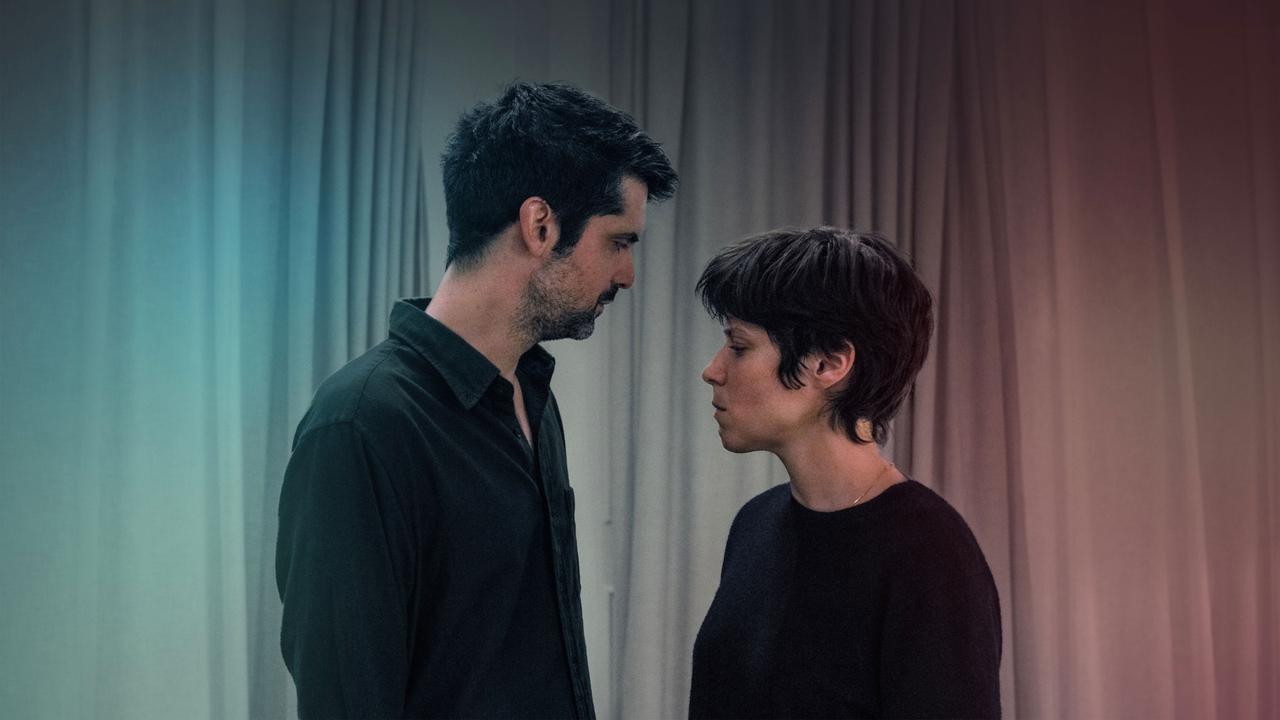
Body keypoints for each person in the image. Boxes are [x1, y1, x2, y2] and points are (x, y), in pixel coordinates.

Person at [275, 81, 677, 719]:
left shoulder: (532, 398)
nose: (626, 275)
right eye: (619, 241)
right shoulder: (360, 425)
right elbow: (346, 699)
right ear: (540, 225)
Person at [689, 228, 1001, 719]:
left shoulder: (930, 555)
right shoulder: (755, 523)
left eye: (739, 346)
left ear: (829, 363)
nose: (713, 370)